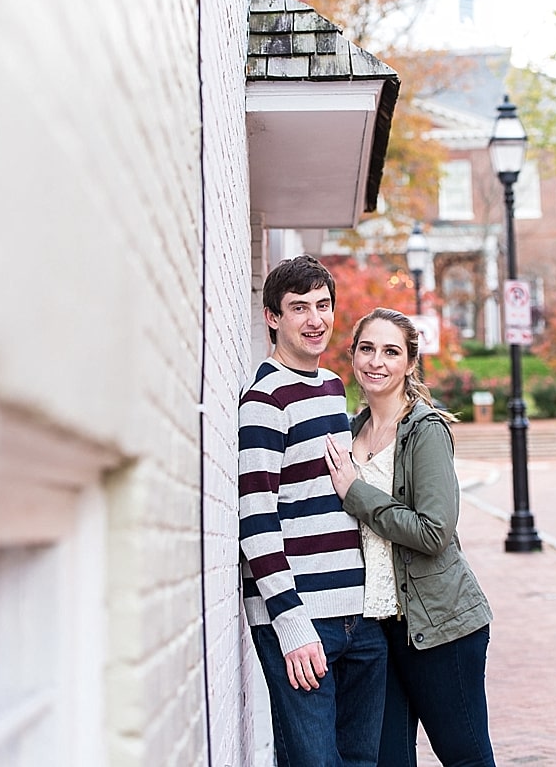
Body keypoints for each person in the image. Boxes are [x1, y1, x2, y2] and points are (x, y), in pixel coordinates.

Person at [325, 307, 496, 767]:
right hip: (375, 630)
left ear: (409, 363)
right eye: (367, 349)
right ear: (353, 356)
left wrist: (357, 494)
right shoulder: (348, 432)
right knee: (387, 761)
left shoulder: (425, 430)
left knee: (465, 757)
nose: (376, 361)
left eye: (390, 351)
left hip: (440, 626)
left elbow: (435, 531)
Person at [239, 255, 387, 767]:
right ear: (272, 318)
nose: (314, 319)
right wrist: (291, 622)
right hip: (303, 620)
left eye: (322, 306)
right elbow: (255, 520)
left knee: (361, 761)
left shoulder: (331, 388)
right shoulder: (264, 400)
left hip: (357, 617)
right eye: (298, 308)